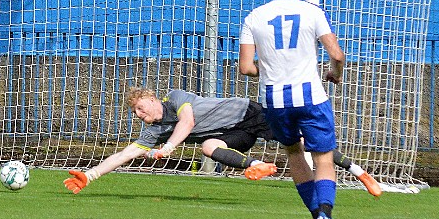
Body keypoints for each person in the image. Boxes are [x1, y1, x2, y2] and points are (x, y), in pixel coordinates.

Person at [238, 0, 346, 219]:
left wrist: (271, 68)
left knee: (294, 153)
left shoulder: (254, 17)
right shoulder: (312, 12)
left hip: (274, 98)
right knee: (323, 158)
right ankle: (326, 215)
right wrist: (335, 73)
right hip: (311, 96)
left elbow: (246, 67)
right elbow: (337, 53)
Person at [62, 87, 280, 195]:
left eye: (140, 107)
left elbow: (187, 122)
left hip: (246, 113)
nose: (138, 114)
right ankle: (258, 166)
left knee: (298, 141)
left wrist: (168, 147)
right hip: (233, 133)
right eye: (134, 111)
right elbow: (125, 154)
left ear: (152, 99)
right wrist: (90, 175)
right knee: (208, 147)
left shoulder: (175, 98)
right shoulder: (155, 131)